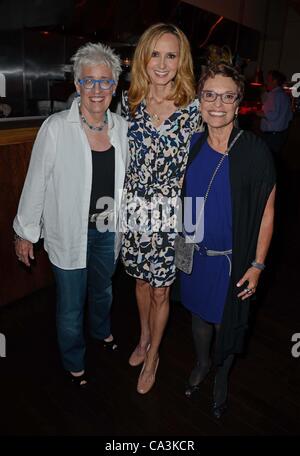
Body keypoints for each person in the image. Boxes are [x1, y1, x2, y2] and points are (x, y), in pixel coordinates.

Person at [13, 42, 129, 387]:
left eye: (105, 81)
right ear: (77, 85)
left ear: (115, 86)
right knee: (70, 303)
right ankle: (74, 359)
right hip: (68, 232)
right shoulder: (56, 128)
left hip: (109, 229)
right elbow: (36, 182)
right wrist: (25, 232)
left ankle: (101, 330)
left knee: (103, 290)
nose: (97, 89)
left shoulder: (123, 128)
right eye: (88, 81)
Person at [179, 63, 276, 418]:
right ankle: (203, 363)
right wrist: (184, 242)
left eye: (227, 96)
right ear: (200, 99)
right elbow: (187, 197)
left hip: (231, 261)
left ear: (239, 104)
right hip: (196, 256)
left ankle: (221, 374)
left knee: (225, 323)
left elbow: (267, 212)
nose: (217, 104)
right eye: (209, 95)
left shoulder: (254, 152)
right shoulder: (193, 144)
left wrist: (258, 265)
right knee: (198, 318)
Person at [121, 23, 200, 394]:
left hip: (174, 216)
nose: (163, 63)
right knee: (139, 281)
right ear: (144, 57)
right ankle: (143, 338)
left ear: (181, 60)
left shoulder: (194, 108)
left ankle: (153, 357)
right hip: (135, 210)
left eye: (171, 55)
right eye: (156, 53)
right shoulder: (129, 101)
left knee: (161, 292)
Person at [257, 70, 292, 165]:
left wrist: (258, 113)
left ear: (275, 81)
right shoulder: (284, 95)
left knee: (266, 162)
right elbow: (289, 117)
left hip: (272, 136)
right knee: (272, 161)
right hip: (279, 135)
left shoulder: (275, 95)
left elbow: (273, 115)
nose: (266, 82)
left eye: (268, 80)